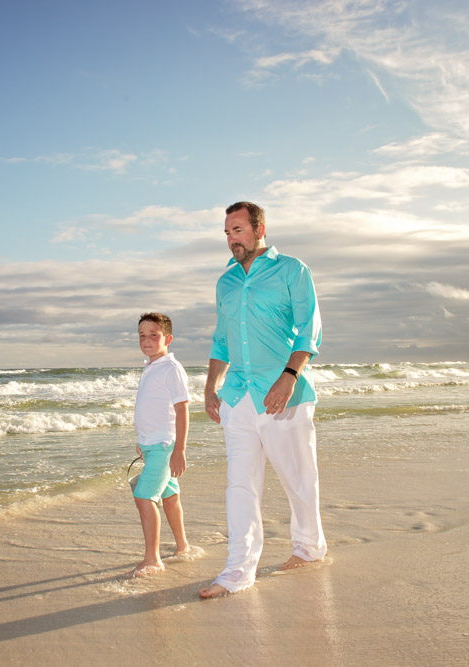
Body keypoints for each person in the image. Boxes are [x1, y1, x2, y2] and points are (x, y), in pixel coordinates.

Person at [199, 201, 326, 599]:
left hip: (282, 394)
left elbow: (309, 330)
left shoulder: (291, 270)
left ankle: (308, 547)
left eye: (237, 230)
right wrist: (209, 387)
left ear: (259, 229)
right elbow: (222, 340)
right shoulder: (226, 283)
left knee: (298, 479)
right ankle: (237, 570)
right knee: (239, 485)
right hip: (238, 395)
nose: (231, 239)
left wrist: (290, 377)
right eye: (226, 233)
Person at [129, 312, 192, 577]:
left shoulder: (171, 368)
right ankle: (182, 546)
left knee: (144, 497)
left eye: (153, 335)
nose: (147, 340)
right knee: (169, 496)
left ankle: (152, 559)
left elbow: (182, 409)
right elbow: (152, 409)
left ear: (168, 338)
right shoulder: (151, 367)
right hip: (152, 445)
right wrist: (142, 441)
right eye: (142, 336)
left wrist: (179, 450)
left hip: (165, 446)